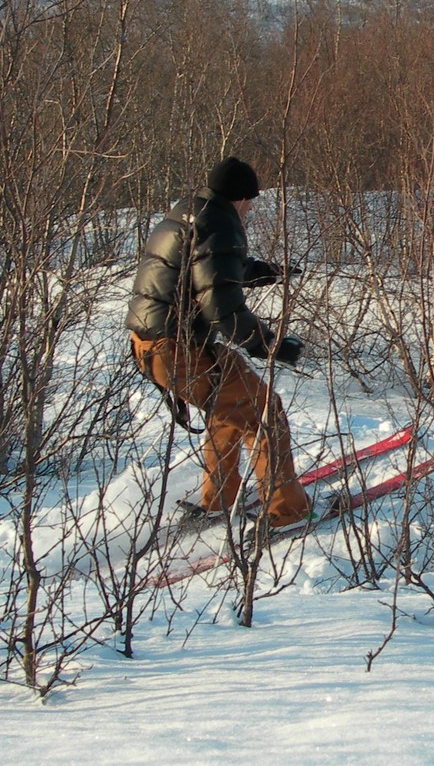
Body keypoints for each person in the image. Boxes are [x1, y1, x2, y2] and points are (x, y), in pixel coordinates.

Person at [126, 156, 310, 527]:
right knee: (263, 412)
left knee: (229, 404)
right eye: (251, 200)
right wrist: (269, 345)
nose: (251, 208)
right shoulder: (220, 225)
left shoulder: (189, 213)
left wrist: (265, 272)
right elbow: (222, 308)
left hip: (150, 344)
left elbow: (208, 270)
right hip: (176, 350)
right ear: (239, 197)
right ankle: (286, 512)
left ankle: (219, 497)